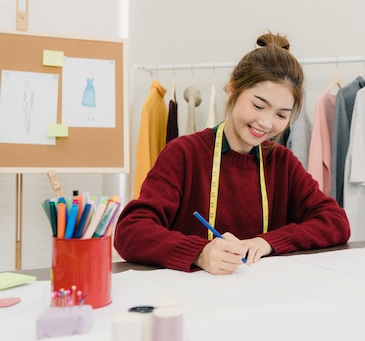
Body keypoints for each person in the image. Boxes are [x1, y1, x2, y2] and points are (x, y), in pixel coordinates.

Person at [114, 32, 351, 275]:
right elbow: (130, 231)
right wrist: (199, 252)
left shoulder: (283, 163)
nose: (267, 123)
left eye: (281, 115)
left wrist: (268, 241)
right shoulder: (184, 154)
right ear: (232, 88)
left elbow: (335, 221)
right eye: (258, 106)